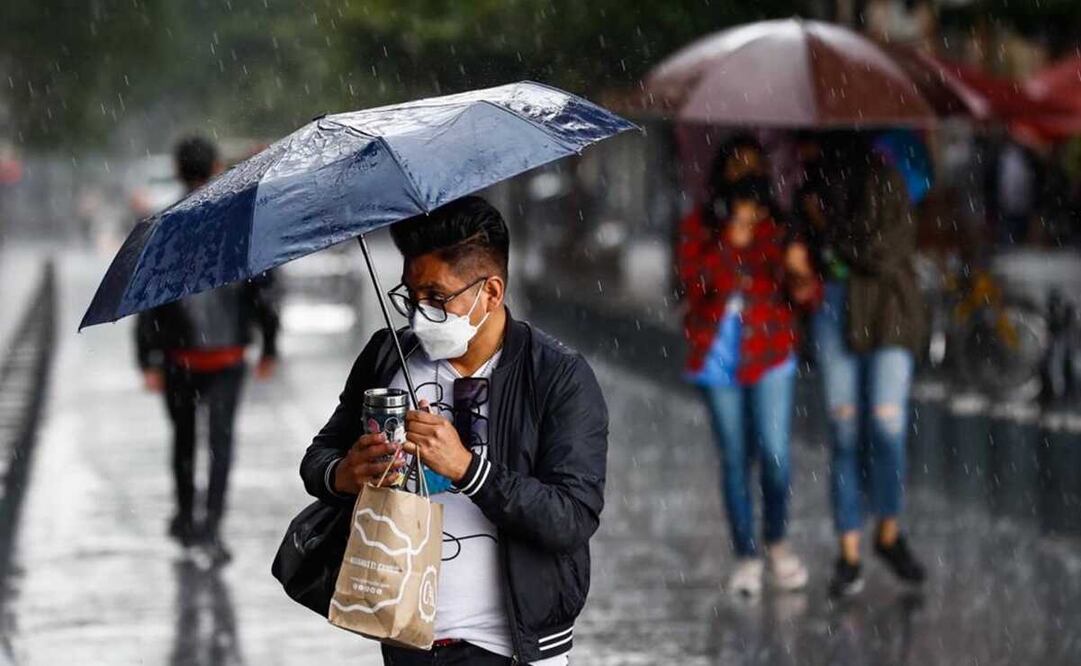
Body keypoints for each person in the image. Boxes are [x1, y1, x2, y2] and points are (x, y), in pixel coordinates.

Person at [300, 196, 608, 665]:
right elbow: (318, 459)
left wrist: (468, 469)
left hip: (513, 649)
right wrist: (345, 473)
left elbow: (571, 517)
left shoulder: (556, 376)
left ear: (491, 292)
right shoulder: (389, 357)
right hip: (406, 637)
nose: (420, 313)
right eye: (411, 296)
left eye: (437, 298)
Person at [137, 135, 280, 563]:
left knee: (183, 440)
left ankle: (184, 517)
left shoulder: (165, 224)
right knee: (221, 443)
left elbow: (149, 299)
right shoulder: (238, 223)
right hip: (229, 355)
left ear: (178, 171)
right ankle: (212, 526)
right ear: (217, 167)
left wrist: (148, 357)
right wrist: (270, 345)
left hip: (180, 356)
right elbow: (263, 293)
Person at [678, 173, 820, 598]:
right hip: (717, 361)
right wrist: (727, 243)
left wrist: (798, 273)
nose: (747, 215)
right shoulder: (704, 232)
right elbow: (694, 285)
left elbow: (808, 297)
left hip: (771, 355)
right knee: (735, 459)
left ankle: (776, 541)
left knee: (775, 455)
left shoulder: (779, 236)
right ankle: (746, 555)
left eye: (753, 208)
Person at [804, 133, 928, 598]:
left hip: (889, 313)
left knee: (887, 424)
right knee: (844, 431)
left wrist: (833, 240)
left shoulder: (888, 178)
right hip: (837, 312)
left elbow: (884, 251)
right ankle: (850, 552)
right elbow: (806, 250)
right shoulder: (814, 183)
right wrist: (822, 237)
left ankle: (889, 532)